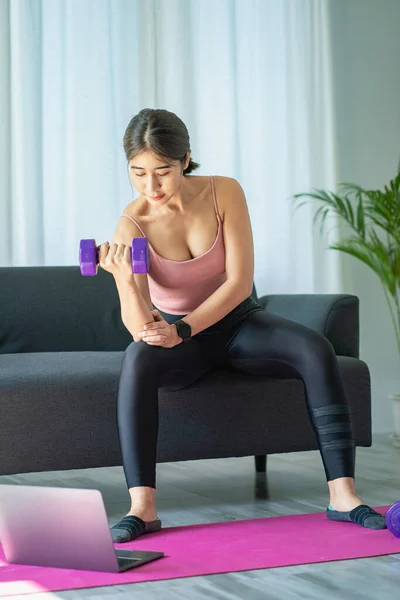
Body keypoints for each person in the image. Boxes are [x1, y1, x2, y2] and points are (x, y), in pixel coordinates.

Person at [99, 108, 386, 543]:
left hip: (239, 323)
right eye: (138, 173)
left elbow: (238, 282)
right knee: (137, 358)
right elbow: (138, 326)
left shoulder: (223, 192)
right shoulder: (132, 222)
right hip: (179, 338)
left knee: (315, 348)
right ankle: (143, 507)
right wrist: (124, 282)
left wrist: (185, 329)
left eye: (163, 172)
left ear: (186, 159)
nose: (150, 186)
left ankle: (342, 496)